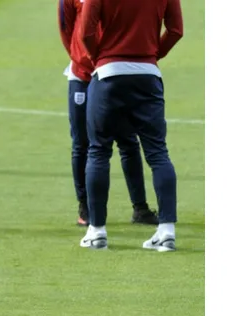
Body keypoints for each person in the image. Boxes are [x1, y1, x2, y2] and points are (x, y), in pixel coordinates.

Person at [79, 0, 183, 250]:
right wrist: (153, 54)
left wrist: (99, 57)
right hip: (148, 75)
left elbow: (85, 33)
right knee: (158, 153)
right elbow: (176, 30)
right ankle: (167, 230)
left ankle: (97, 230)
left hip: (108, 74)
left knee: (98, 151)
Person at [58, 0, 159, 227]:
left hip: (114, 74)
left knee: (128, 141)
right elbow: (66, 29)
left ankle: (140, 208)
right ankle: (85, 207)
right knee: (82, 144)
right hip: (84, 75)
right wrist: (82, 58)